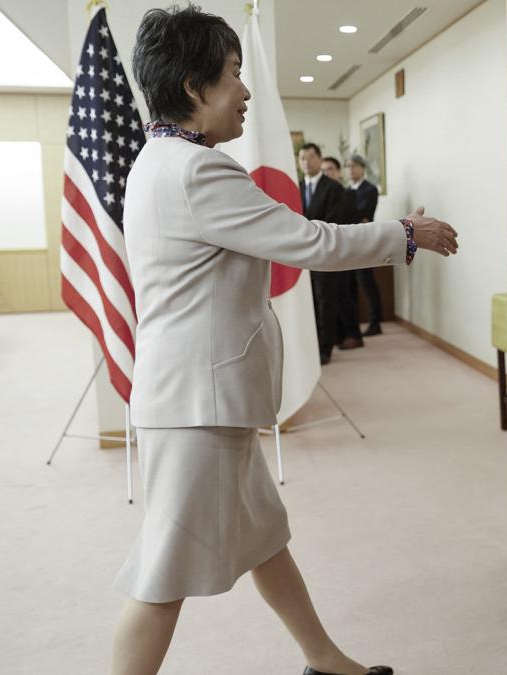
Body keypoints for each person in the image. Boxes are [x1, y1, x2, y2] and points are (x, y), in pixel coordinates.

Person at [115, 6, 458, 674]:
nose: (244, 92)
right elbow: (309, 240)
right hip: (197, 407)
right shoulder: (195, 172)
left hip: (204, 398)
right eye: (234, 75)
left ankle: (325, 660)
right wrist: (405, 234)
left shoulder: (157, 162)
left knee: (265, 537)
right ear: (194, 87)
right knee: (161, 577)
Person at [298, 143, 349, 363]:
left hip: (324, 253)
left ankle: (324, 348)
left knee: (325, 300)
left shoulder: (333, 188)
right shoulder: (295, 186)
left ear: (319, 159)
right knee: (305, 301)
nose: (306, 162)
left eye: (310, 157)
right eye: (302, 158)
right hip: (299, 255)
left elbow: (333, 221)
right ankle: (308, 345)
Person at [322, 155, 363, 349]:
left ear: (338, 172)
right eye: (324, 170)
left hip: (345, 249)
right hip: (328, 251)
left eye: (330, 169)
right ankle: (339, 335)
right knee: (333, 296)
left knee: (344, 293)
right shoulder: (323, 192)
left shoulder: (347, 193)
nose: (326, 173)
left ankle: (354, 334)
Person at [346, 156, 383, 336]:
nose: (350, 170)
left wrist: (351, 217)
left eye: (354, 166)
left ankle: (376, 322)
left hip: (364, 241)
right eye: (348, 167)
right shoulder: (345, 190)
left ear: (362, 168)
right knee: (350, 284)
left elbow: (364, 213)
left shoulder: (370, 189)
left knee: (366, 282)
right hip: (347, 242)